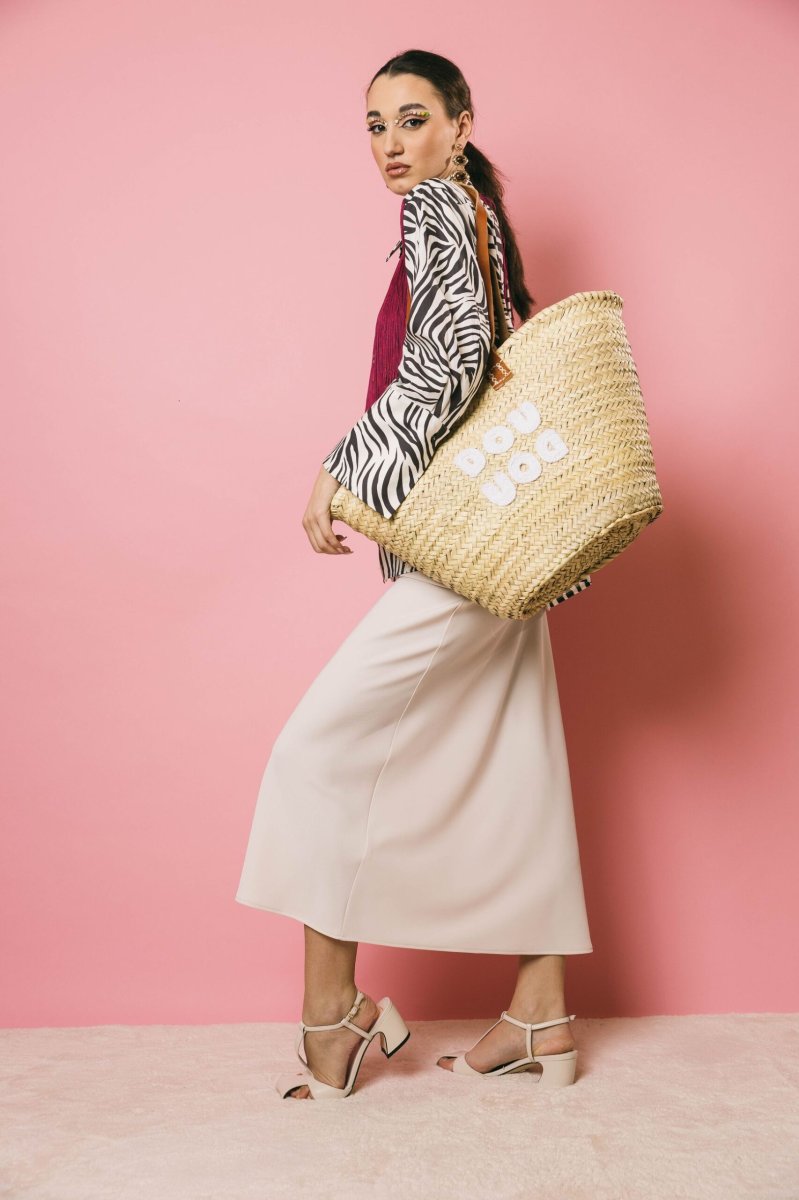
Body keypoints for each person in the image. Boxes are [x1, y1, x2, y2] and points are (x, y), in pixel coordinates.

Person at [235, 49, 593, 1100]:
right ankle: (540, 1014)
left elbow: (448, 363)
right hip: (507, 540)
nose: (391, 145)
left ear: (460, 124)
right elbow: (482, 351)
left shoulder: (437, 208)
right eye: (375, 126)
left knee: (316, 751)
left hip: (466, 551)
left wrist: (340, 469)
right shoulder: (477, 217)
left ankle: (333, 1019)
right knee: (520, 765)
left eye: (412, 119)